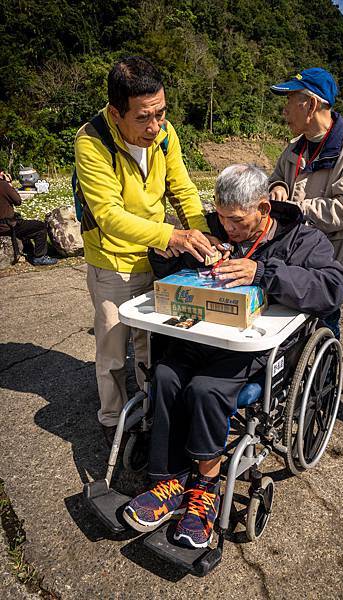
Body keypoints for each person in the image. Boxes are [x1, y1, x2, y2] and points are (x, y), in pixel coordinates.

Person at [122, 164, 343, 549]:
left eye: (236, 220)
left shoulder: (302, 239)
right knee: (164, 374)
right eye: (221, 216)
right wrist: (167, 254)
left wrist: (263, 271)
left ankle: (206, 487)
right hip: (203, 334)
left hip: (257, 348)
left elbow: (334, 285)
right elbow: (181, 274)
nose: (227, 227)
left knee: (206, 389)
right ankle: (171, 479)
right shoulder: (214, 228)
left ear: (264, 208)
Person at [74, 56, 216, 448]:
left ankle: (148, 408)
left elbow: (182, 188)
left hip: (153, 255)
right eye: (143, 118)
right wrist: (173, 235)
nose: (155, 126)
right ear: (117, 113)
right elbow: (109, 216)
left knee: (148, 342)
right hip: (113, 262)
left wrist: (201, 236)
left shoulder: (165, 135)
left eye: (161, 113)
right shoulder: (92, 141)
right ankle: (111, 418)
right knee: (113, 348)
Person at [269, 67, 343, 338]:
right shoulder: (295, 146)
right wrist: (278, 187)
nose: (285, 110)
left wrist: (297, 210)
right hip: (290, 261)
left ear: (311, 104)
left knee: (323, 328)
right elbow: (277, 176)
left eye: (290, 100)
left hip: (325, 264)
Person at [0, 171, 57, 266]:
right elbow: (18, 201)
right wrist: (9, 184)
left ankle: (29, 250)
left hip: (4, 224)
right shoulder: (3, 185)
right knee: (40, 226)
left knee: (22, 221)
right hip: (6, 226)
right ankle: (39, 257)